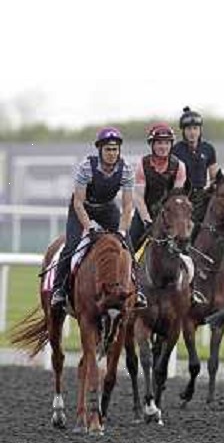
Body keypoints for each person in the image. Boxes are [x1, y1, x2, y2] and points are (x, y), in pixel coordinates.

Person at [50, 127, 147, 309]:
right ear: (100, 150)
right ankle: (59, 291)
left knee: (128, 245)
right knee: (71, 246)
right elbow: (78, 203)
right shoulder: (86, 166)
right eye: (108, 149)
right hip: (82, 207)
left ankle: (138, 290)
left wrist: (122, 231)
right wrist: (89, 228)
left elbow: (127, 207)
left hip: (106, 208)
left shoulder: (126, 169)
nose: (112, 153)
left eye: (115, 149)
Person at [131, 122, 205, 306]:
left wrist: (171, 222)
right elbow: (138, 197)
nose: (163, 147)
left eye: (166, 143)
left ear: (171, 145)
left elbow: (175, 198)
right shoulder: (142, 164)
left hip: (168, 217)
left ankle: (192, 291)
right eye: (158, 143)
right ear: (152, 145)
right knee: (127, 247)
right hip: (144, 215)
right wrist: (148, 220)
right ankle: (129, 290)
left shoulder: (179, 166)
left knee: (187, 249)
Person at [172, 107, 219, 242]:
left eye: (195, 128)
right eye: (188, 129)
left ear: (200, 130)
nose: (192, 132)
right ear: (183, 131)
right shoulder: (176, 150)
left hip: (202, 194)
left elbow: (214, 176)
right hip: (183, 195)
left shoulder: (208, 149)